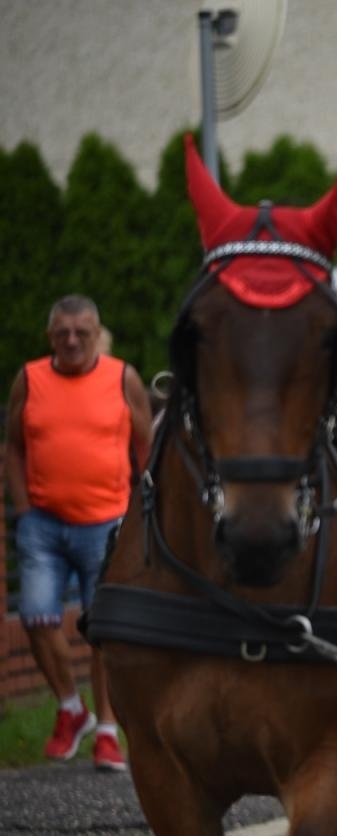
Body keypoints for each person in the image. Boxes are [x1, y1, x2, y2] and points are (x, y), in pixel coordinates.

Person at [4, 295, 152, 770]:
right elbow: (13, 447)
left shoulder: (122, 377)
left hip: (108, 524)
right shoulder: (29, 379)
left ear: (96, 333)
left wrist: (143, 508)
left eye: (81, 333)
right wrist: (24, 508)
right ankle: (71, 708)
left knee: (101, 630)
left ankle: (108, 733)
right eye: (62, 332)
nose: (71, 340)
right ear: (50, 336)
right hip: (43, 523)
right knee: (36, 615)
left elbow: (146, 443)